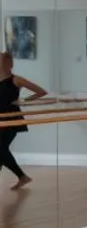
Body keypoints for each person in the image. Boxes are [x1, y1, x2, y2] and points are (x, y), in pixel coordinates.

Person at [0, 52, 47, 189]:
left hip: (12, 119)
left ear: (9, 63)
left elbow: (41, 92)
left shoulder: (16, 80)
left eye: (3, 61)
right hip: (1, 120)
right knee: (1, 150)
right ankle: (22, 177)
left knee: (1, 149)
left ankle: (22, 176)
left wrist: (24, 100)